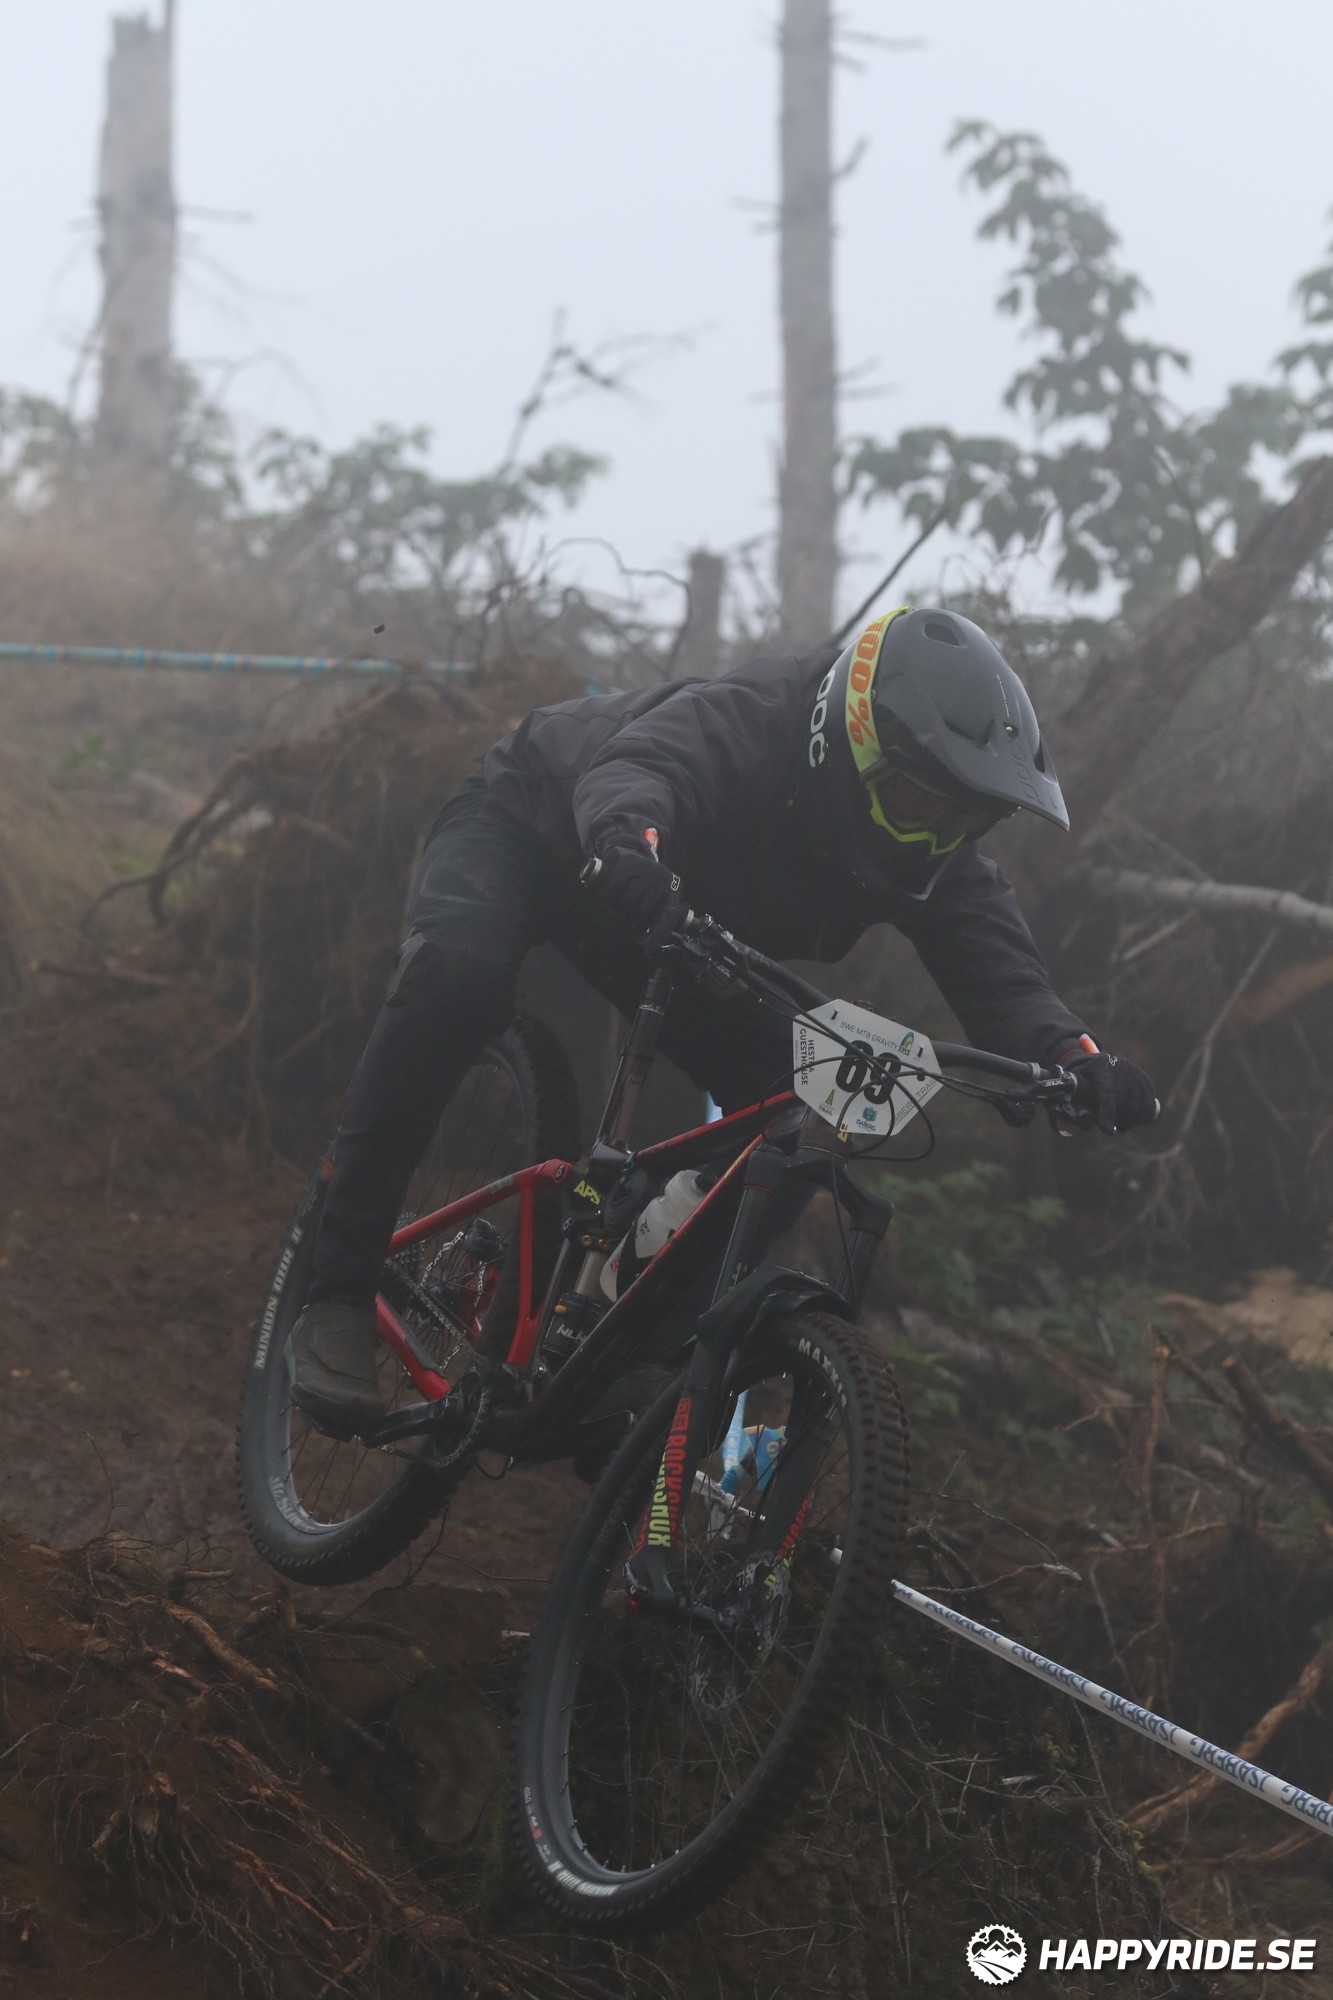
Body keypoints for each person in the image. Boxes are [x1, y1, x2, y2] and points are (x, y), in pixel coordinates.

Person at [291, 606, 1158, 1432]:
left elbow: (1003, 974)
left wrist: (1072, 1057)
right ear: (853, 745)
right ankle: (334, 1286)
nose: (932, 838)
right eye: (919, 806)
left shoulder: (932, 851)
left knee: (804, 1107)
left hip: (660, 917)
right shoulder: (759, 716)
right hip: (536, 827)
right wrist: (628, 840)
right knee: (458, 976)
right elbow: (644, 768)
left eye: (964, 821)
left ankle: (625, 1345)